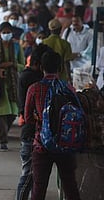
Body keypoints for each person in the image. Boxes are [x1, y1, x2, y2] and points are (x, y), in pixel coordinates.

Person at [24, 51, 81, 200]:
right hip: (65, 144)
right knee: (70, 185)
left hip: (42, 144)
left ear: (42, 67)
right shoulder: (68, 88)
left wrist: (40, 119)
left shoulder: (34, 88)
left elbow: (28, 118)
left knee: (39, 187)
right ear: (61, 68)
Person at [15, 44, 50, 200]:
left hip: (33, 133)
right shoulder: (34, 80)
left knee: (33, 176)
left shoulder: (28, 76)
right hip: (32, 133)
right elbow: (28, 113)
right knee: (29, 175)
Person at [0, 22, 24, 151]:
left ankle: (4, 133)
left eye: (8, 32)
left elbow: (22, 65)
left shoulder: (16, 47)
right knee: (2, 113)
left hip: (13, 83)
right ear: (0, 33)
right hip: (0, 84)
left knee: (13, 113)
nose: (6, 34)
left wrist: (11, 65)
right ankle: (3, 140)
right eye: (4, 32)